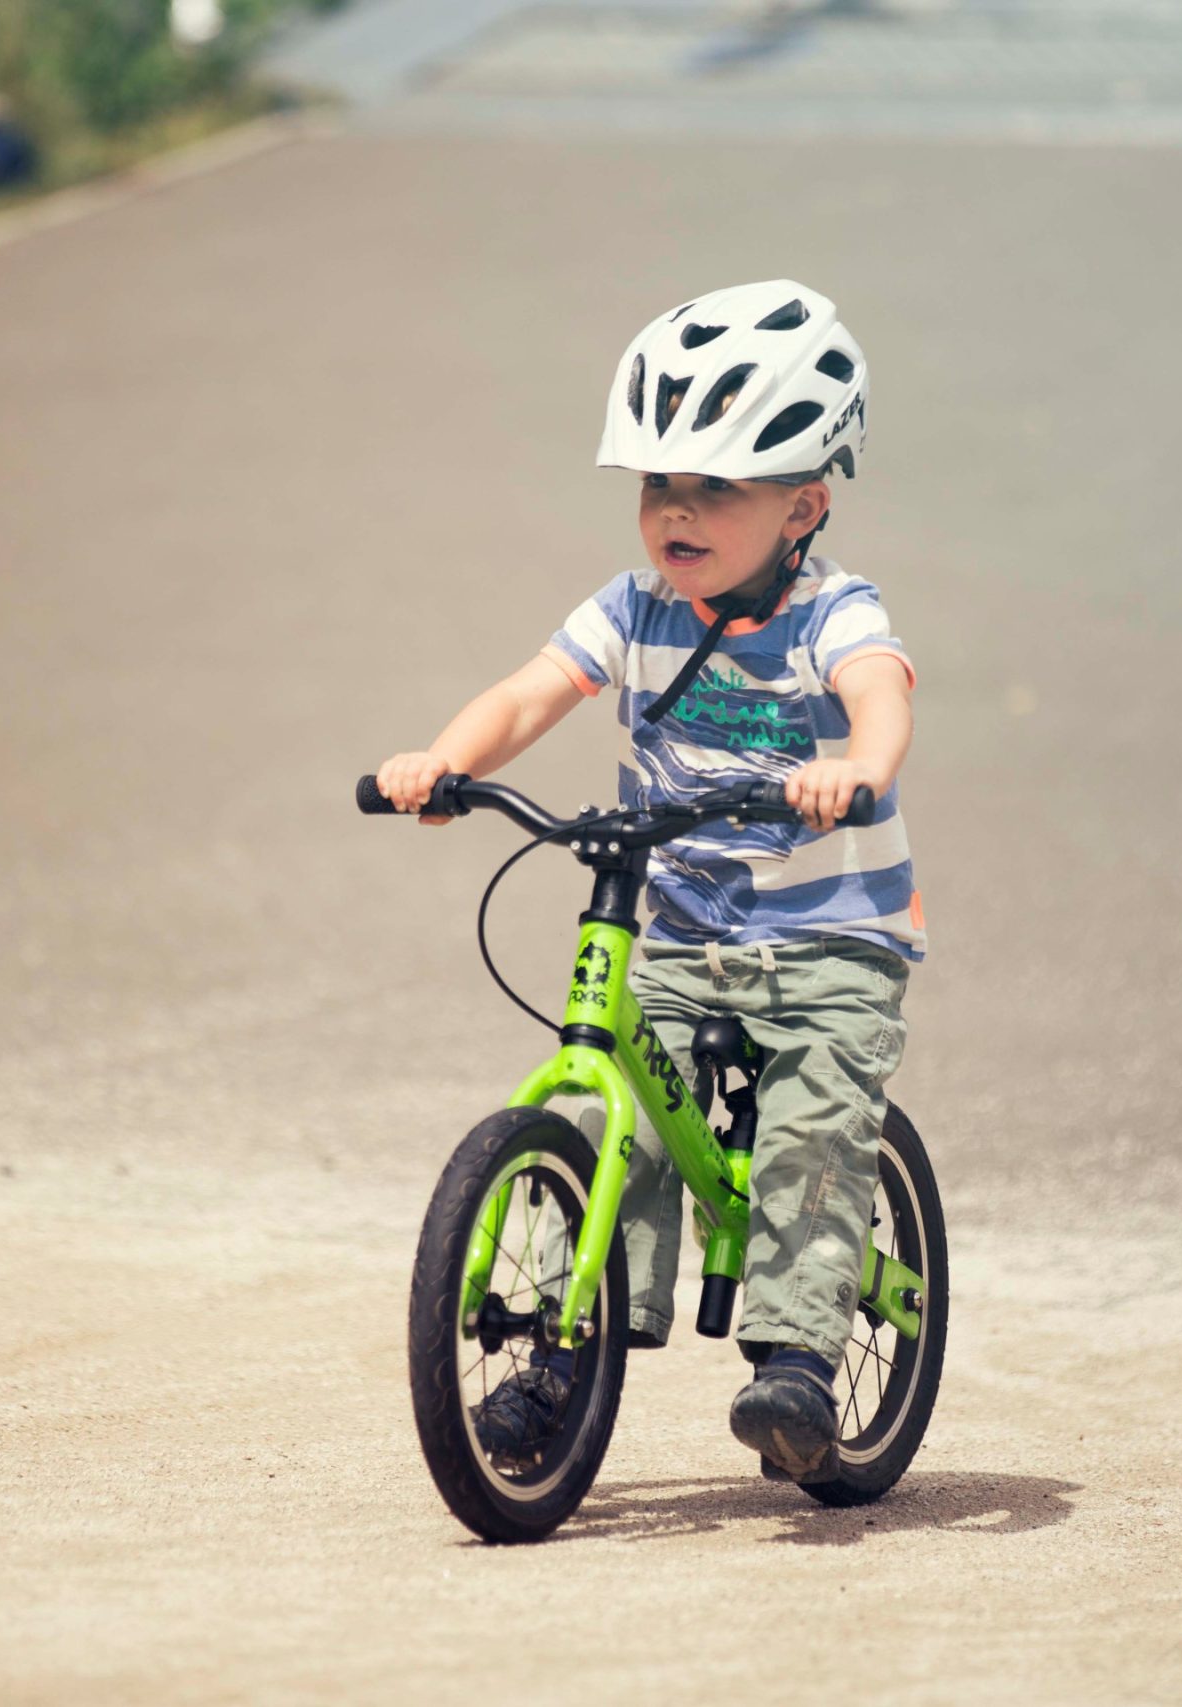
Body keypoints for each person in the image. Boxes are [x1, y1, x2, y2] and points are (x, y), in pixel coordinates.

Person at [375, 279, 921, 1483]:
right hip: (675, 920)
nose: (675, 511)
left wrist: (856, 768)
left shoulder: (832, 610)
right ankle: (565, 1359)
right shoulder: (633, 611)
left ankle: (800, 1361)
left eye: (715, 487)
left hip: (825, 936)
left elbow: (880, 688)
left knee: (811, 1129)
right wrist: (444, 762)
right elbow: (530, 692)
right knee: (593, 1110)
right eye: (656, 485)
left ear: (803, 506)